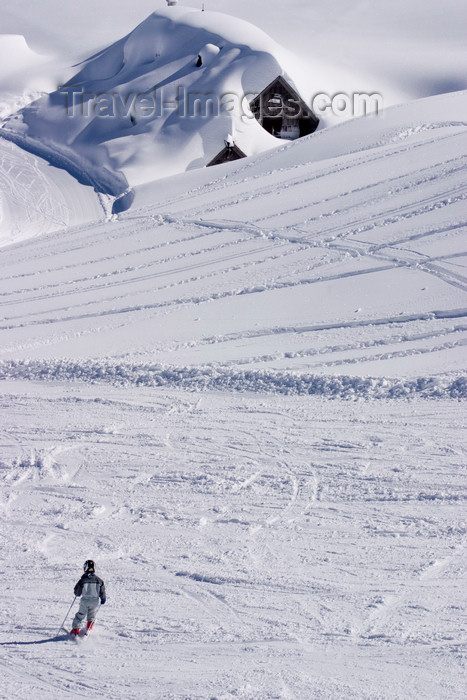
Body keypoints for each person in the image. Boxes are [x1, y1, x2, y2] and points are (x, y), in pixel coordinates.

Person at [70, 559, 106, 636]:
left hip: (85, 601)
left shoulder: (83, 580)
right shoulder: (98, 580)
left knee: (80, 615)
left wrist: (77, 593)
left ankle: (75, 630)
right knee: (92, 614)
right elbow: (102, 590)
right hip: (95, 601)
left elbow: (77, 592)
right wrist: (103, 598)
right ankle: (89, 627)